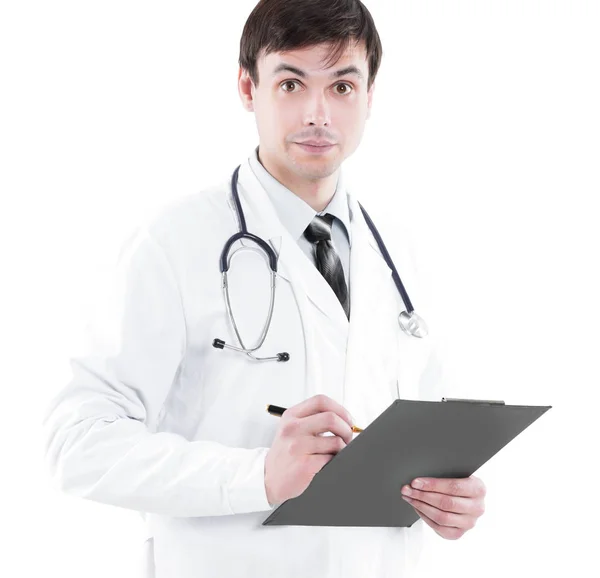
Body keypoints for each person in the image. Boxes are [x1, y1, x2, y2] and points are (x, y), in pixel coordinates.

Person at [42, 1, 487, 576]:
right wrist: (257, 477)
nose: (318, 113)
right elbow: (78, 443)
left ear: (371, 96)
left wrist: (450, 496)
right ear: (248, 88)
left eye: (343, 86)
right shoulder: (174, 243)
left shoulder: (398, 251)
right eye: (292, 82)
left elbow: (429, 427)